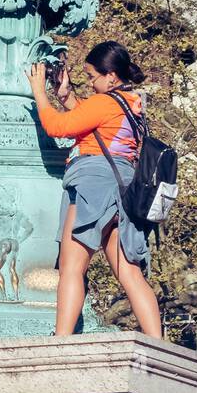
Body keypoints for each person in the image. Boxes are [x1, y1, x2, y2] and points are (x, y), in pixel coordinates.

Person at [28, 42, 163, 339]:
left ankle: (61, 340)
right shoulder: (132, 104)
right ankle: (158, 343)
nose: (90, 82)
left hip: (93, 183)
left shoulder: (105, 102)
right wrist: (65, 95)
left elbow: (59, 127)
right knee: (129, 272)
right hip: (123, 188)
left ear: (111, 76)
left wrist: (39, 91)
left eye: (92, 76)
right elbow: (94, 125)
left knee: (72, 267)